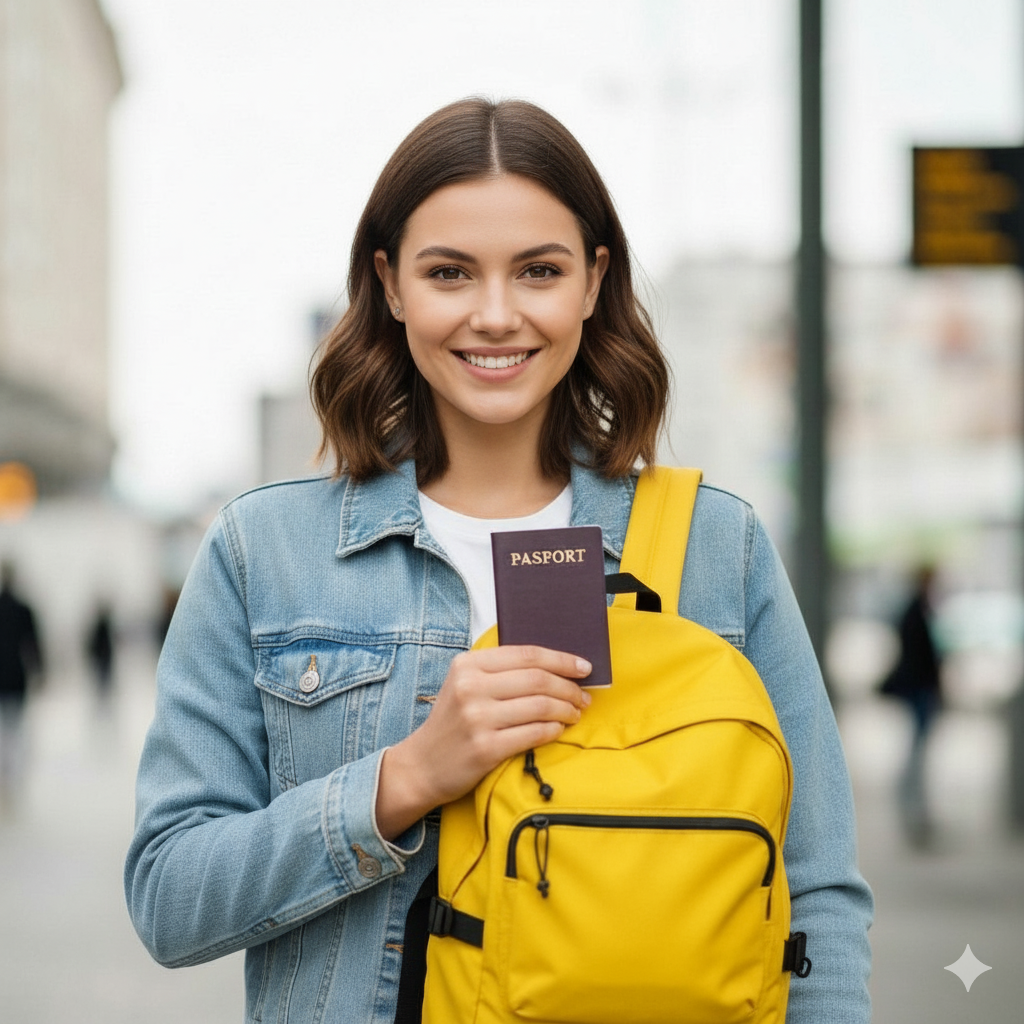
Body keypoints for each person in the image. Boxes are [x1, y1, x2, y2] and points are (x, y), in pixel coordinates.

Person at [125, 97, 872, 1023]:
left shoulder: (719, 549)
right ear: (390, 285)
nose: (494, 314)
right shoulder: (265, 551)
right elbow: (168, 898)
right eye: (449, 273)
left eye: (538, 271)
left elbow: (818, 899)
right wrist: (402, 781)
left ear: (594, 282)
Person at [879, 565, 943, 847]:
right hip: (920, 692)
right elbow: (919, 657)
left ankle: (916, 809)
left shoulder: (917, 610)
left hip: (920, 692)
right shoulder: (916, 612)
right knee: (916, 755)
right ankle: (912, 809)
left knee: (918, 753)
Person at [0, 561, 42, 801]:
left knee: (5, 728)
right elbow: (34, 644)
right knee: (14, 727)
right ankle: (11, 774)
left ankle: (5, 774)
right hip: (16, 677)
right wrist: (39, 672)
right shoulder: (23, 609)